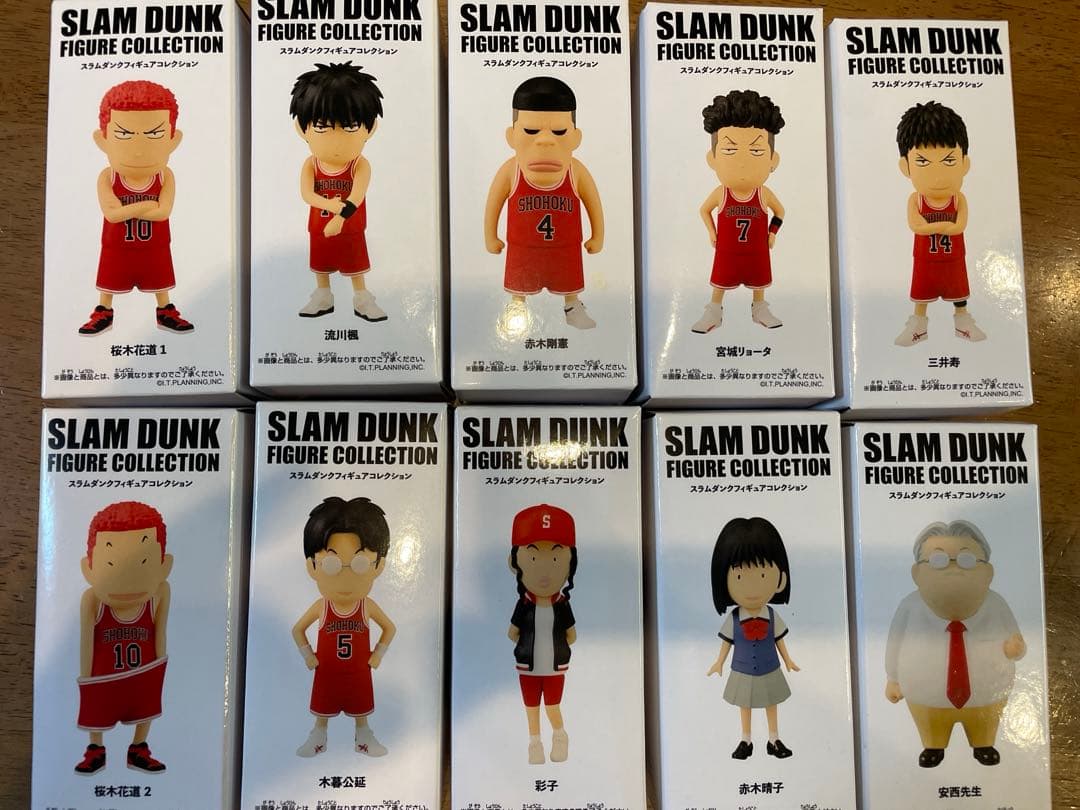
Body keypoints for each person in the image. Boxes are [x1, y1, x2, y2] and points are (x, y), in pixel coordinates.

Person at [885, 521, 1025, 767]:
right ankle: (933, 745)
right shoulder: (910, 606)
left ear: (988, 573)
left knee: (984, 723)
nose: (953, 567)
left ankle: (983, 742)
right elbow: (895, 641)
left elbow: (1015, 639)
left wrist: (1015, 647)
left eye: (966, 560)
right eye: (938, 560)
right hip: (924, 694)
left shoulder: (996, 604)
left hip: (987, 693)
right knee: (931, 726)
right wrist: (893, 678)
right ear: (916, 573)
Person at [485, 77, 604, 332]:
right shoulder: (511, 170)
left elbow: (593, 202)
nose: (545, 140)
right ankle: (517, 308)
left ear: (576, 138)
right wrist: (490, 237)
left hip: (565, 248)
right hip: (523, 247)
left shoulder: (576, 171)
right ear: (511, 136)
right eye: (531, 131)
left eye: (559, 132)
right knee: (520, 278)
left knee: (569, 277)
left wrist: (598, 236)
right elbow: (493, 203)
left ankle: (572, 306)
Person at [79, 81, 193, 336]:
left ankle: (165, 311)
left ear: (173, 140)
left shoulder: (165, 175)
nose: (139, 151)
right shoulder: (108, 177)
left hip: (155, 246)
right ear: (103, 140)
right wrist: (148, 204)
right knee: (108, 281)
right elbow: (112, 214)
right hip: (116, 246)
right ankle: (103, 312)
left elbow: (163, 212)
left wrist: (128, 209)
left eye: (154, 134)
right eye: (124, 135)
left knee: (160, 279)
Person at [292, 497, 396, 758]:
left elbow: (390, 628)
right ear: (312, 566)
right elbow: (297, 629)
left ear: (378, 566)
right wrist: (308, 656)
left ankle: (364, 736)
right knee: (322, 709)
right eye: (331, 564)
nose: (345, 576)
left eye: (360, 564)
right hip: (326, 671)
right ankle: (318, 736)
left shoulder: (366, 606)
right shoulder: (322, 606)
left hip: (358, 672)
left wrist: (377, 654)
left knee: (361, 709)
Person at [75, 502, 173, 775]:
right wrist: (87, 681)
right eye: (111, 565)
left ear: (164, 566)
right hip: (104, 675)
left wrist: (158, 669)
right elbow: (86, 643)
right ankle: (96, 749)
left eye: (143, 564)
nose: (127, 580)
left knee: (146, 705)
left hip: (143, 671)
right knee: (97, 709)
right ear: (89, 569)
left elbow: (160, 632)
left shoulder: (160, 592)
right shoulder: (92, 600)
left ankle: (138, 748)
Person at [290, 62, 387, 322]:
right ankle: (323, 296)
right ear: (302, 129)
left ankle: (362, 298)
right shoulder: (311, 164)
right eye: (322, 127)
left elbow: (357, 196)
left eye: (350, 127)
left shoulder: (360, 165)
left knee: (355, 265)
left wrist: (340, 218)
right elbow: (307, 195)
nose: (336, 140)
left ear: (370, 129)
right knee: (321, 265)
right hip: (319, 226)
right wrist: (331, 208)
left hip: (351, 227)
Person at [692, 90, 786, 334]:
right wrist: (711, 232)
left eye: (756, 151)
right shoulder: (721, 193)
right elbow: (704, 210)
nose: (743, 162)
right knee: (720, 281)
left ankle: (759, 308)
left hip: (757, 250)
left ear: (773, 160)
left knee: (759, 280)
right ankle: (714, 310)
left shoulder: (763, 193)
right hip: (727, 251)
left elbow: (780, 211)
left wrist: (772, 233)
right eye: (730, 151)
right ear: (712, 159)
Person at [893, 101, 985, 346]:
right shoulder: (916, 200)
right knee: (921, 292)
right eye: (923, 162)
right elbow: (917, 226)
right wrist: (944, 226)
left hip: (954, 257)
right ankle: (918, 326)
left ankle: (963, 322)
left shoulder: (958, 198)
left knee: (959, 291)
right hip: (925, 258)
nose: (937, 174)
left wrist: (933, 227)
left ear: (965, 164)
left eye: (949, 161)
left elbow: (959, 226)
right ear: (906, 167)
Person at [707, 517, 799, 759]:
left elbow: (779, 639)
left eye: (763, 575)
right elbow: (727, 642)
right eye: (739, 577)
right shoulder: (735, 618)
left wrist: (788, 660)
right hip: (743, 668)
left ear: (780, 579)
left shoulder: (772, 615)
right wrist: (719, 662)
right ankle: (745, 740)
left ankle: (774, 739)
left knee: (771, 701)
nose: (752, 587)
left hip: (770, 666)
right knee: (744, 703)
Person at [507, 504, 578, 764]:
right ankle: (534, 744)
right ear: (516, 562)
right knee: (531, 707)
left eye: (556, 559)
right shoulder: (524, 604)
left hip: (555, 666)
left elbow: (571, 635)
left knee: (552, 705)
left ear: (570, 564)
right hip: (527, 665)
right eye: (534, 558)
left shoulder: (562, 604)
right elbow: (512, 632)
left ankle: (559, 736)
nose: (545, 571)